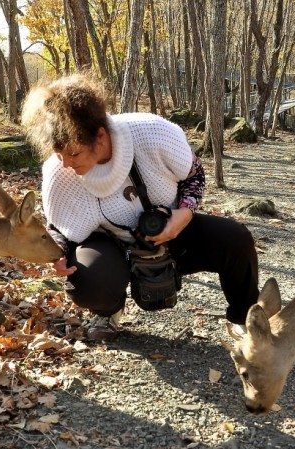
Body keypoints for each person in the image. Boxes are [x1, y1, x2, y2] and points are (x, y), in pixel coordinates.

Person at [21, 73, 259, 340]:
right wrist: (60, 254)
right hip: (112, 248)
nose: (66, 163)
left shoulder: (154, 133)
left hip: (171, 232)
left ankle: (245, 318)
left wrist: (183, 213)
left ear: (100, 136)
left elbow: (194, 175)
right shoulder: (58, 172)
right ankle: (108, 311)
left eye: (74, 153)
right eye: (58, 153)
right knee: (86, 280)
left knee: (236, 239)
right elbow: (59, 227)